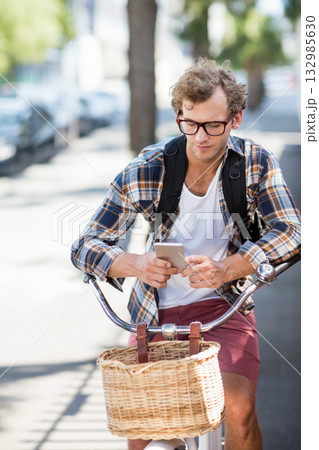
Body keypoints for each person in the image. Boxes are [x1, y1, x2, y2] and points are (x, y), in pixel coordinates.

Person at [71, 58, 301, 450]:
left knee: (239, 408)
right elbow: (86, 245)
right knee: (142, 430)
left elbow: (292, 232)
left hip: (224, 310)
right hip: (154, 317)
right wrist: (136, 264)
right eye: (190, 124)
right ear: (179, 116)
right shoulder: (148, 169)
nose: (201, 137)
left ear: (236, 119)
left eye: (214, 125)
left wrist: (227, 268)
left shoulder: (255, 163)